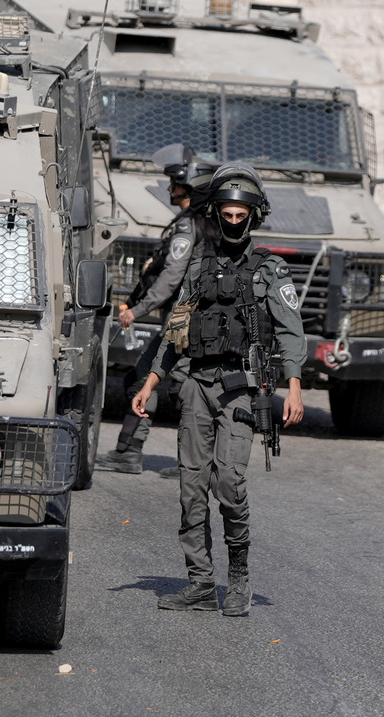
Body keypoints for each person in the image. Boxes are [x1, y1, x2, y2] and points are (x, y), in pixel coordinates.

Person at [131, 162, 306, 617]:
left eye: (240, 216)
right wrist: (151, 381)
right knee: (191, 488)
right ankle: (201, 583)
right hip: (196, 386)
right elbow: (176, 329)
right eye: (225, 215)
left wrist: (294, 387)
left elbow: (291, 331)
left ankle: (240, 576)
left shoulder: (270, 270)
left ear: (253, 216)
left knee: (229, 483)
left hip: (241, 390)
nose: (232, 222)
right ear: (216, 214)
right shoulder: (199, 268)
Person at [96, 151, 217, 475]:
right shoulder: (212, 224)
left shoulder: (189, 225)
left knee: (179, 386)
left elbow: (171, 277)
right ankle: (130, 452)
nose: (169, 189)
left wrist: (137, 310)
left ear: (189, 188)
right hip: (196, 318)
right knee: (152, 378)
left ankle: (192, 463)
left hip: (184, 317)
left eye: (175, 183)